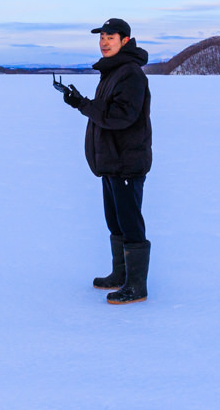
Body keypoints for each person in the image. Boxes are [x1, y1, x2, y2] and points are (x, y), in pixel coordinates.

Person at [59, 18, 152, 304]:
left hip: (126, 162)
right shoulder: (112, 72)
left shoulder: (131, 74)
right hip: (112, 162)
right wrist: (81, 102)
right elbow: (106, 110)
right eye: (101, 37)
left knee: (130, 222)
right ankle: (120, 275)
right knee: (115, 222)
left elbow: (119, 116)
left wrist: (83, 105)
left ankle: (136, 286)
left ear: (125, 41)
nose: (104, 42)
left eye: (110, 37)